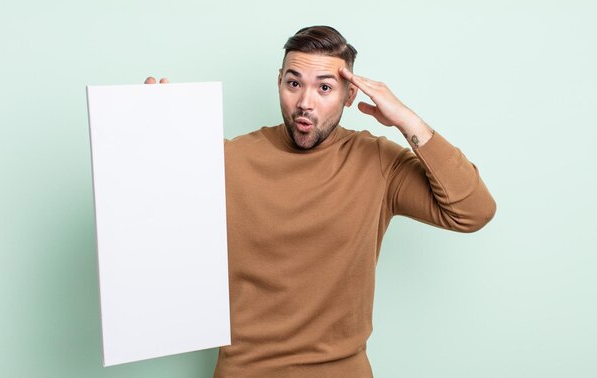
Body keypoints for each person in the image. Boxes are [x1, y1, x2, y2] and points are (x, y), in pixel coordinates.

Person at [146, 25, 496, 378]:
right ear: (280, 81)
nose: (304, 103)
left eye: (324, 88)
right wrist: (145, 123)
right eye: (294, 83)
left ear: (348, 95)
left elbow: (473, 211)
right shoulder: (226, 158)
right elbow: (149, 225)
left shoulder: (377, 162)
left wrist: (406, 120)